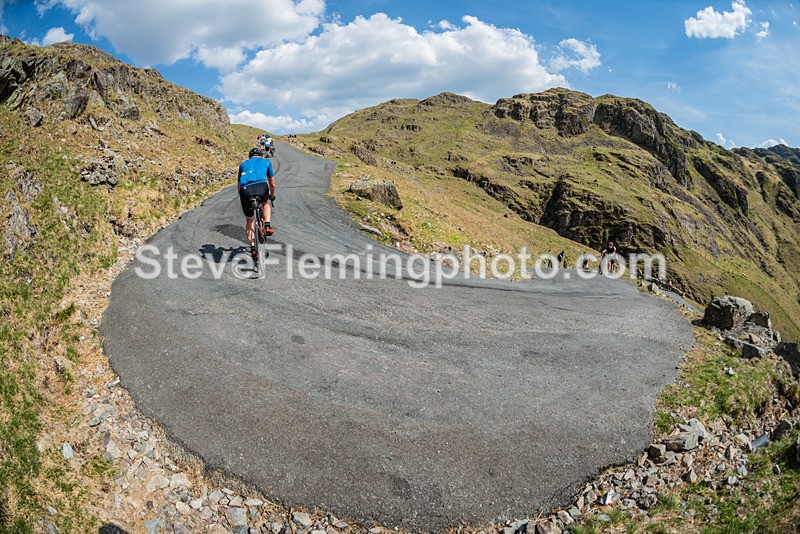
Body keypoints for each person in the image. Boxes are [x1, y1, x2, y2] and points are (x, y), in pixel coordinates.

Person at [238, 147, 276, 261]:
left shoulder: (243, 164)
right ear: (260, 155)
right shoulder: (266, 162)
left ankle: (253, 249)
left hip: (245, 190)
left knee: (250, 220)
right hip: (261, 187)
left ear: (250, 156)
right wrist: (272, 195)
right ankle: (267, 225)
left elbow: (238, 188)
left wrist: (244, 198)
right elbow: (272, 183)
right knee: (265, 203)